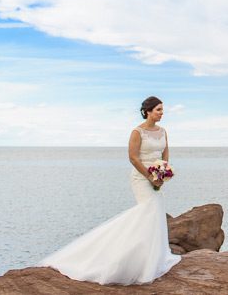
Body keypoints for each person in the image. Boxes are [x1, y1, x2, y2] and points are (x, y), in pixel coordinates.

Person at [39, 96, 181, 284]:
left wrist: (161, 174)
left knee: (154, 214)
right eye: (159, 110)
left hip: (157, 176)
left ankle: (152, 258)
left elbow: (165, 153)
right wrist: (150, 177)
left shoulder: (163, 131)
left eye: (163, 110)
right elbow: (133, 157)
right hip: (141, 177)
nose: (162, 113)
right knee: (148, 210)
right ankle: (122, 257)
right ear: (148, 111)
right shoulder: (137, 132)